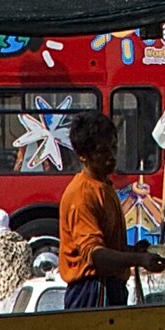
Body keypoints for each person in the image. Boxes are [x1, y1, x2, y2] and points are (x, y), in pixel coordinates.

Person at [53, 116, 129, 312]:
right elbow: (96, 256)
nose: (111, 156)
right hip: (92, 291)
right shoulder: (82, 194)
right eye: (102, 151)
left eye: (114, 148)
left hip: (112, 287)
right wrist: (138, 260)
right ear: (82, 155)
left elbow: (107, 245)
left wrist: (135, 252)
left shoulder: (105, 186)